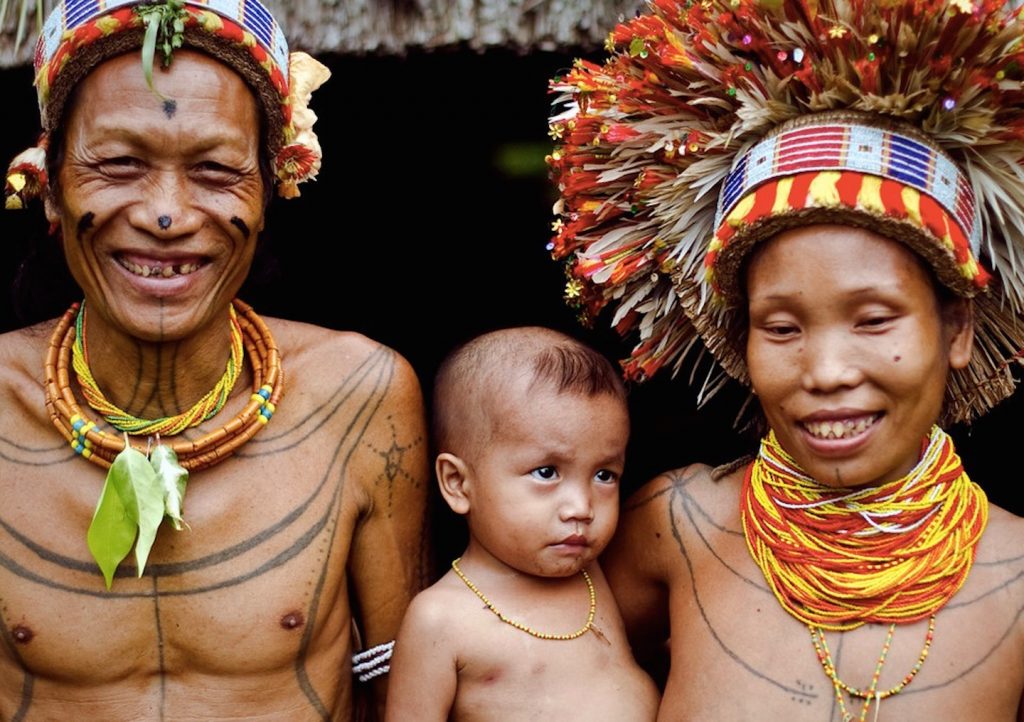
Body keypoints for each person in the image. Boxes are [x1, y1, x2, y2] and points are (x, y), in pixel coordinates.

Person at [546, 1, 1024, 719]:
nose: (827, 371)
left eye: (873, 319)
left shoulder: (1018, 575)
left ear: (955, 328)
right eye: (781, 327)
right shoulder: (672, 530)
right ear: (740, 340)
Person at [0, 1, 429, 719]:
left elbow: (404, 692)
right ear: (47, 182)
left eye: (215, 170)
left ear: (274, 186)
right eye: (119, 164)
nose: (167, 215)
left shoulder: (360, 396)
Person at [384, 326, 660, 721]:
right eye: (546, 472)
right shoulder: (441, 619)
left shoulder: (593, 574)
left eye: (604, 475)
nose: (581, 507)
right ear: (458, 484)